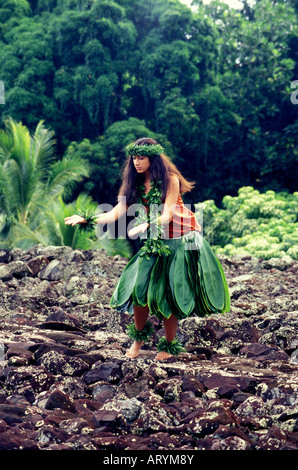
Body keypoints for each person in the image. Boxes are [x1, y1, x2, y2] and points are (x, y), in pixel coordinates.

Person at [65, 137, 230, 361]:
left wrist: (148, 224)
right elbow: (115, 212)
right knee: (139, 288)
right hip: (156, 240)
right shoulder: (133, 183)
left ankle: (169, 344)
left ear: (153, 159)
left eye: (141, 158)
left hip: (181, 239)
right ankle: (137, 341)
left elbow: (167, 215)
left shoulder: (170, 180)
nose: (136, 162)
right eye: (134, 158)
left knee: (169, 293)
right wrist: (87, 219)